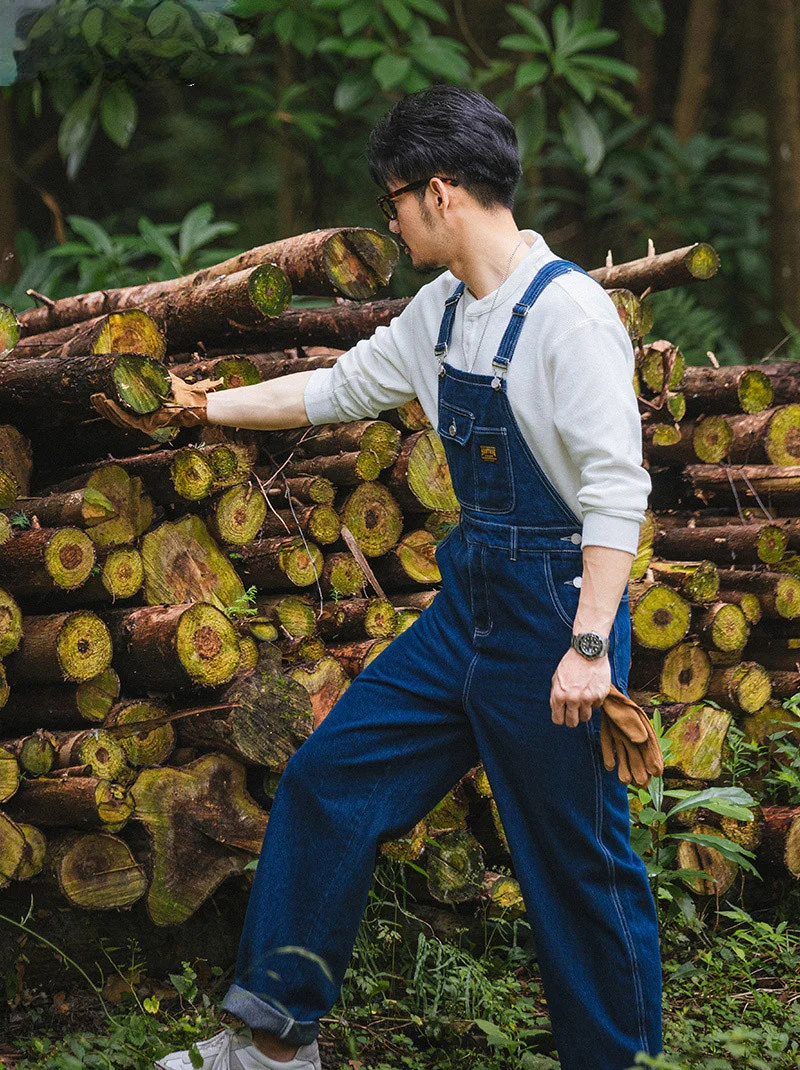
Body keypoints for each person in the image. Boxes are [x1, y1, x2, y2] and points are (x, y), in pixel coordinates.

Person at [97, 85, 663, 1070]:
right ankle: (275, 1039)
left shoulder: (567, 316)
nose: (391, 222)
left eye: (395, 201)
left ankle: (617, 1057)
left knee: (576, 862)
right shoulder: (438, 312)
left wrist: (583, 647)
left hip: (555, 612)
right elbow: (337, 385)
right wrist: (208, 411)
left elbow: (617, 491)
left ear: (440, 193)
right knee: (330, 777)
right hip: (469, 603)